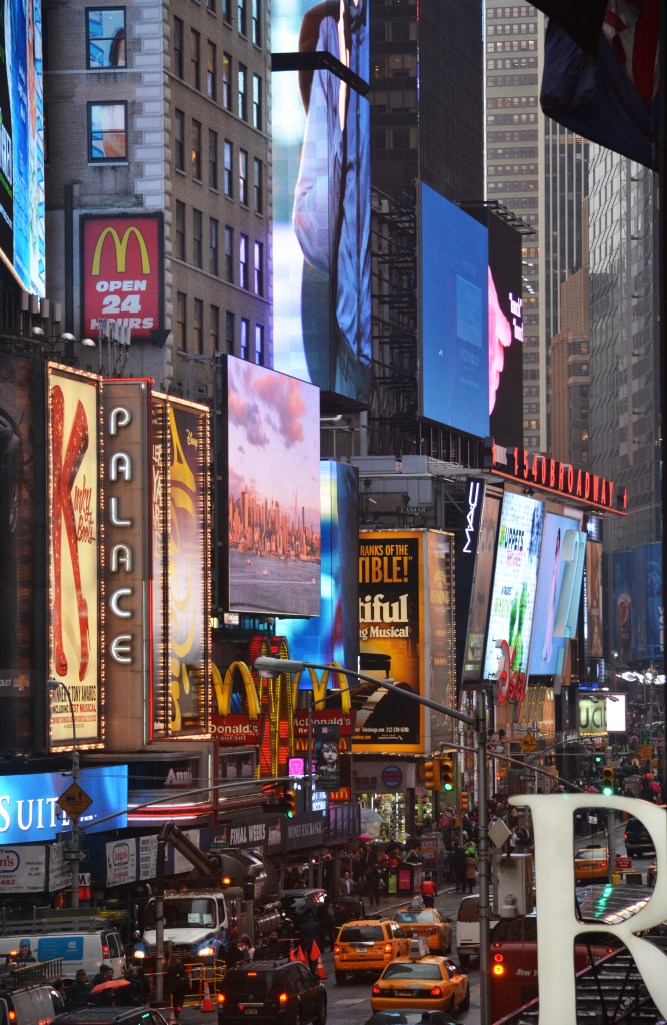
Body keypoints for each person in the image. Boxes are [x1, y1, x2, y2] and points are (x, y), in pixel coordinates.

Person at [166, 957, 190, 1022]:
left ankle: (175, 1010)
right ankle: (178, 1009)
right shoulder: (180, 965)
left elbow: (168, 976)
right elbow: (184, 974)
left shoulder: (170, 967)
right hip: (182, 985)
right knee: (181, 998)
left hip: (174, 986)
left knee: (175, 998)